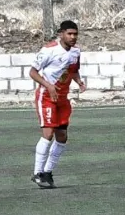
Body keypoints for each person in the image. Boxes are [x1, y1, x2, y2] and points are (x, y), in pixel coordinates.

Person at [29, 20, 85, 188]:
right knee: (48, 134)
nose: (73, 37)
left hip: (62, 99)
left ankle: (47, 172)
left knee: (62, 137)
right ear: (61, 34)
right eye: (69, 33)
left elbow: (73, 70)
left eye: (75, 34)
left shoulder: (75, 52)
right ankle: (37, 172)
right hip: (46, 97)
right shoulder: (49, 50)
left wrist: (79, 81)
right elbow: (32, 72)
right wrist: (48, 85)